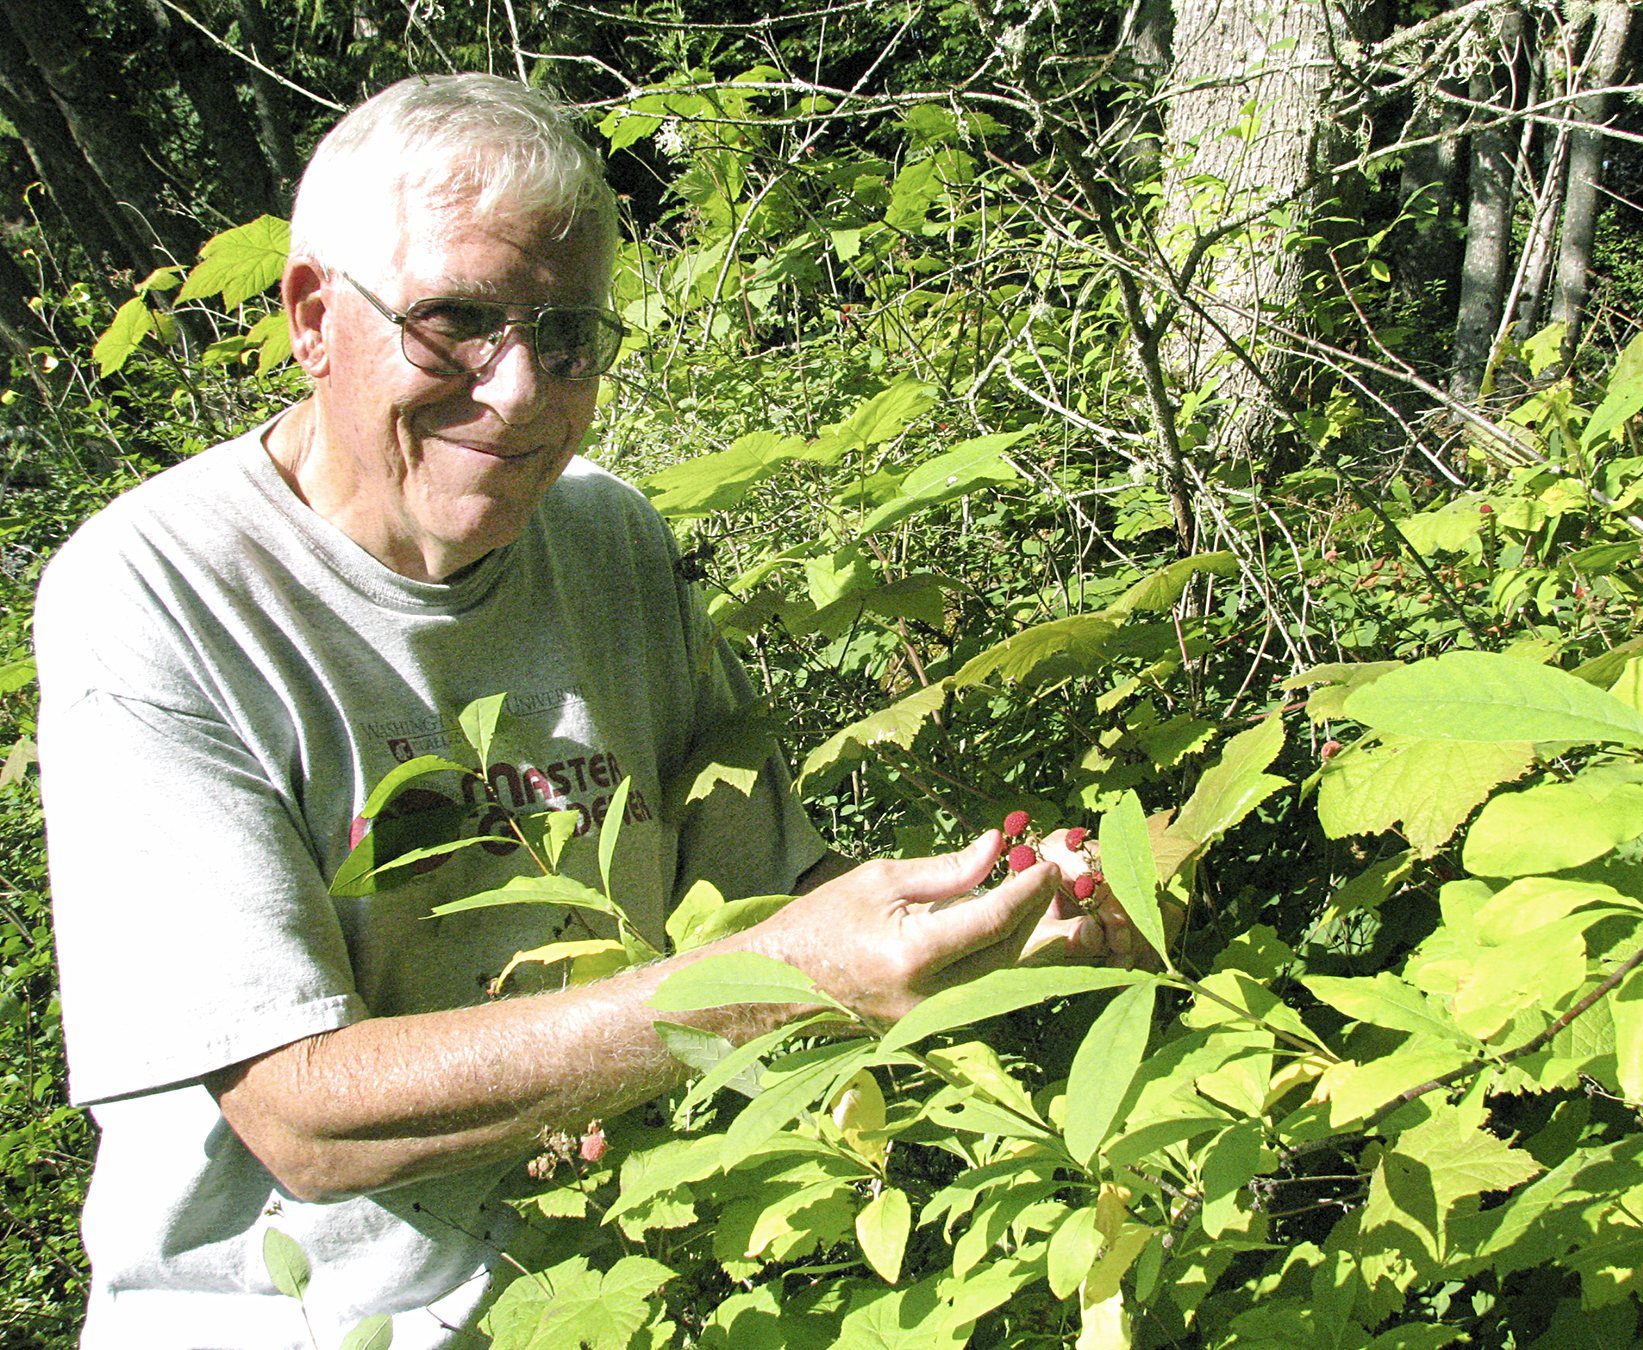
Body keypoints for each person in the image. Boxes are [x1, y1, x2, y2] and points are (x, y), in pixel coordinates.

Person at [35, 74, 1138, 1349]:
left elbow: (760, 899)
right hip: (305, 1319)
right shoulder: (158, 595)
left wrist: (988, 918)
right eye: (455, 321)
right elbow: (301, 1119)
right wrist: (776, 986)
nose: (518, 392)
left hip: (641, 1273)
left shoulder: (607, 537)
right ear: (314, 318)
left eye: (565, 338)